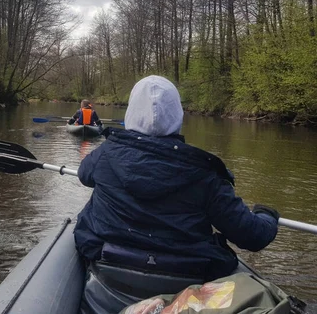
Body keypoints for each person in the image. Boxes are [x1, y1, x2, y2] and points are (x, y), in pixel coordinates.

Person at [74, 75, 279, 284]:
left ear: (132, 113)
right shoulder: (205, 173)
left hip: (112, 276)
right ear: (176, 115)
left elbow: (84, 175)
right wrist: (268, 215)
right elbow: (253, 236)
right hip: (186, 284)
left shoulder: (105, 154)